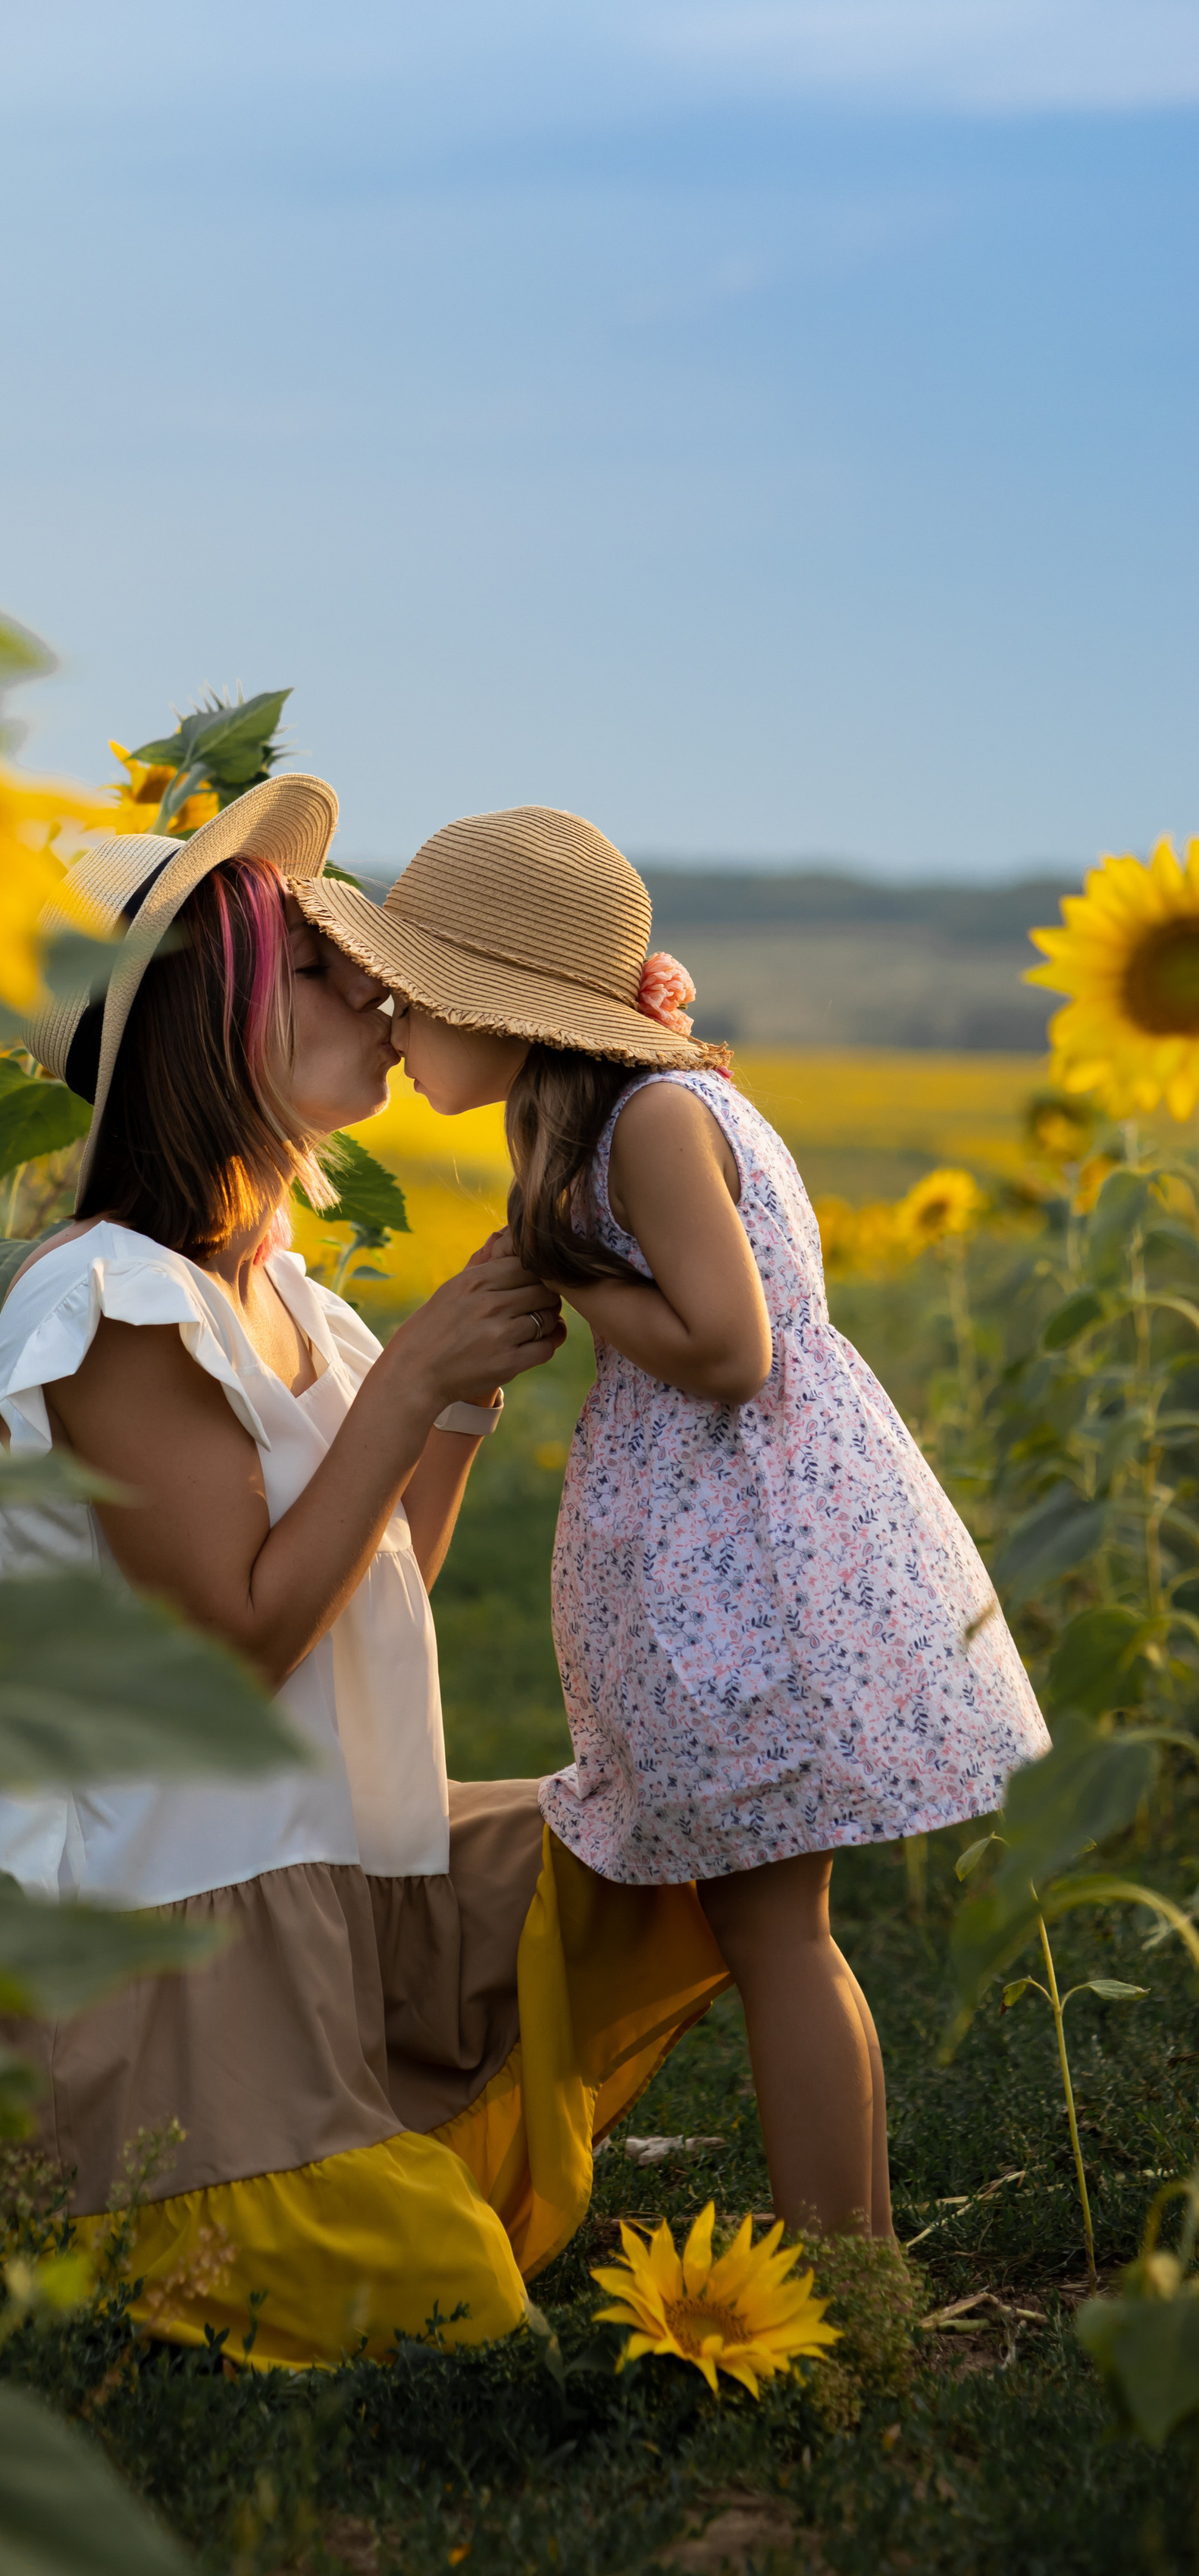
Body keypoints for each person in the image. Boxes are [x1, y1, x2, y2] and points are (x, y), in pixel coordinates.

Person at [0, 775, 728, 2366]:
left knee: (688, 1843)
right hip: (129, 1933)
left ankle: (365, 2139)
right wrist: (409, 1382)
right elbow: (237, 1649)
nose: (372, 993)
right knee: (456, 2314)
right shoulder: (107, 1300)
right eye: (314, 967)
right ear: (205, 1025)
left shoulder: (291, 1298)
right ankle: (117, 2176)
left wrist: (450, 1396)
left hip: (283, 1868)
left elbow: (370, 1588)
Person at [296, 805, 1050, 2244]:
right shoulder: (614, 1116)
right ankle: (857, 2260)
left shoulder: (646, 1119)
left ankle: (851, 2271)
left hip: (761, 1571)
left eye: (413, 998)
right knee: (778, 1930)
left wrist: (566, 1267)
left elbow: (731, 1349)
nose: (392, 1026)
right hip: (745, 1560)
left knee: (779, 1935)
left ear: (503, 1007)